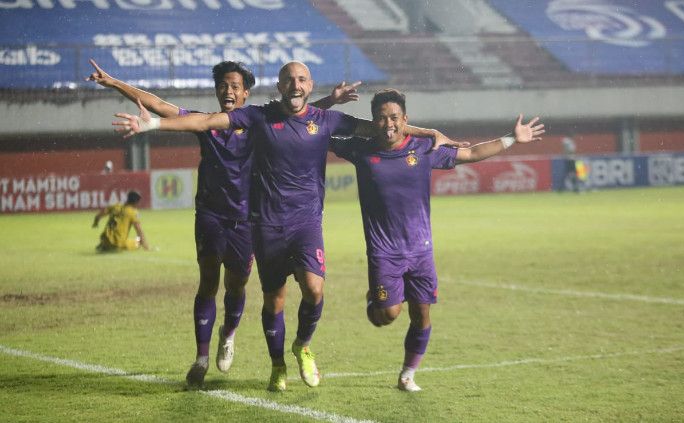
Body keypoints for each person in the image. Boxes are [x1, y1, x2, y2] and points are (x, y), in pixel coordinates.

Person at [111, 61, 463, 392]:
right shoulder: (258, 117)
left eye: (302, 79)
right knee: (270, 298)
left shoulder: (325, 119)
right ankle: (275, 363)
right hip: (261, 222)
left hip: (305, 221)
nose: (295, 85)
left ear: (309, 85)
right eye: (289, 80)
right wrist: (151, 124)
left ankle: (302, 346)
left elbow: (382, 128)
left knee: (313, 289)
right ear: (278, 86)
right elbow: (203, 122)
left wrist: (428, 131)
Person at [88, 59, 360, 388]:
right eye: (223, 85)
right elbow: (160, 105)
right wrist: (116, 83)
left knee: (237, 284)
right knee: (208, 281)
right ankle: (201, 359)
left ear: (246, 93)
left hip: (249, 219)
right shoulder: (212, 124)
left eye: (235, 86)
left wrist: (330, 101)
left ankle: (228, 334)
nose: (228, 90)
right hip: (211, 215)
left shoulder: (260, 122)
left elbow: (299, 113)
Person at [329, 89, 545, 392]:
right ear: (373, 121)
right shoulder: (360, 150)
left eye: (394, 117)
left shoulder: (425, 149)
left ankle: (407, 374)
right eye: (381, 118)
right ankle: (374, 301)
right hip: (384, 252)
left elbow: (470, 153)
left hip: (420, 251)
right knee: (386, 316)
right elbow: (318, 130)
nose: (388, 124)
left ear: (405, 120)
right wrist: (323, 105)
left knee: (422, 314)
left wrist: (511, 138)